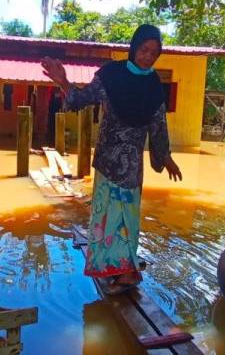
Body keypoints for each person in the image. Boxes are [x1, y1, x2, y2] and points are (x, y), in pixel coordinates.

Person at [41, 24, 182, 294]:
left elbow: (158, 125)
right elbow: (82, 98)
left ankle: (127, 272)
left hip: (130, 165)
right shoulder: (111, 75)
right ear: (133, 47)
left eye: (154, 52)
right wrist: (63, 81)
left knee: (125, 218)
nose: (148, 57)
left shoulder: (153, 85)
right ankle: (112, 268)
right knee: (105, 216)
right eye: (144, 50)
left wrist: (165, 158)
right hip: (107, 160)